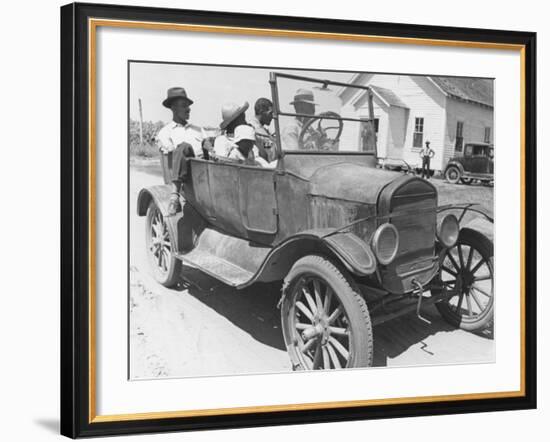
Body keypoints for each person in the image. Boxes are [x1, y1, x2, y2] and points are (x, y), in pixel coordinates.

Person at [156, 87, 209, 215]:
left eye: (189, 106)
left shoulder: (199, 129)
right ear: (173, 108)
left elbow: (208, 149)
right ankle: (175, 196)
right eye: (184, 106)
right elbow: (172, 156)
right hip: (185, 178)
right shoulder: (165, 132)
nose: (189, 109)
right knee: (183, 147)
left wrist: (209, 146)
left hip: (204, 174)